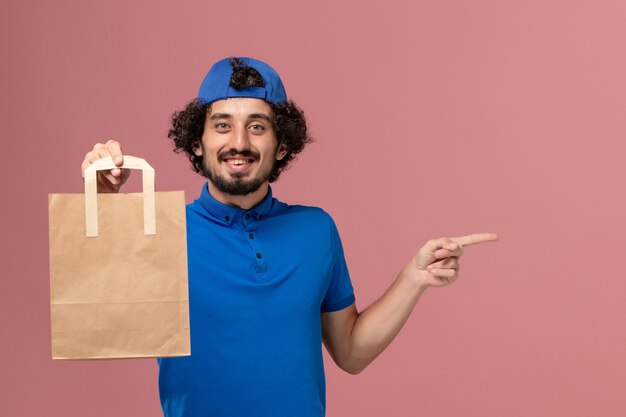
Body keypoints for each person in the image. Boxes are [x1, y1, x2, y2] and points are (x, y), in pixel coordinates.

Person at [80, 57, 498, 417]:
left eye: (257, 126)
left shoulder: (316, 230)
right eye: (222, 125)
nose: (239, 142)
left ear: (282, 146)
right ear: (196, 143)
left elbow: (350, 352)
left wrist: (413, 278)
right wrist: (103, 202)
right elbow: (96, 314)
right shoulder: (158, 231)